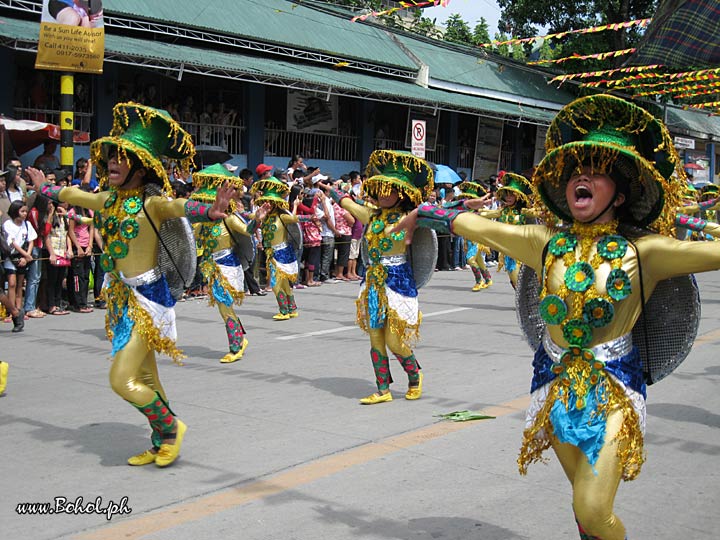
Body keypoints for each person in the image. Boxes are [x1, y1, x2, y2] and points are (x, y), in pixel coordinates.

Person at [398, 94, 720, 540]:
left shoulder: (645, 252)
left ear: (621, 194)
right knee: (581, 504)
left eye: (598, 170)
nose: (582, 176)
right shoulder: (543, 241)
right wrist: (420, 212)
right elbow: (472, 225)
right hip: (553, 387)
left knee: (592, 507)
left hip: (614, 391)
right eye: (575, 170)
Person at [28, 102, 232, 468]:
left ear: (141, 167)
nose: (112, 162)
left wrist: (211, 212)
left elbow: (179, 207)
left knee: (122, 379)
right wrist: (48, 191)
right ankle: (160, 442)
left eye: (122, 156)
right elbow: (78, 196)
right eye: (110, 156)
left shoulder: (152, 203)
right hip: (123, 298)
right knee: (145, 376)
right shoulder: (110, 201)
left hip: (150, 298)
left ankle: (170, 429)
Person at [323, 149, 433, 404]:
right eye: (380, 188)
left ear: (402, 193)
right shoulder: (371, 216)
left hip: (398, 282)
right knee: (375, 337)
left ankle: (415, 375)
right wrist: (331, 190)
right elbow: (347, 203)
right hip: (372, 281)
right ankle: (383, 389)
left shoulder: (411, 218)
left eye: (389, 189)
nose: (383, 194)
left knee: (394, 340)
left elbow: (441, 216)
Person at [189, 164, 269, 363]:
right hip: (211, 267)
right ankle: (240, 338)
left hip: (227, 266)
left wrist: (257, 220)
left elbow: (248, 230)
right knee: (223, 307)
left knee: (225, 306)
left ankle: (236, 345)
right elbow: (188, 236)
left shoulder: (230, 219)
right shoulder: (201, 223)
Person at [248, 176, 300, 320]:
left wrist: (295, 205)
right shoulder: (264, 217)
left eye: (271, 202)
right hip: (271, 253)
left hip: (282, 252)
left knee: (276, 284)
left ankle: (284, 311)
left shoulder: (281, 217)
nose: (268, 204)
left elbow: (294, 219)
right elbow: (250, 217)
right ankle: (291, 308)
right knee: (281, 282)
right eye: (265, 202)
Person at [477, 171, 534, 288]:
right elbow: (488, 213)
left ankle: (525, 299)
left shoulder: (523, 212)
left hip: (521, 248)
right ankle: (522, 300)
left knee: (516, 274)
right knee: (512, 276)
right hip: (507, 249)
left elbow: (537, 215)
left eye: (511, 195)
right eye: (506, 195)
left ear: (518, 196)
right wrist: (472, 211)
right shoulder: (502, 211)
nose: (508, 198)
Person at [455, 181, 493, 290]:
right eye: (466, 198)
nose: (468, 201)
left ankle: (479, 281)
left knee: (470, 260)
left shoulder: (480, 212)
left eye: (470, 198)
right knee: (479, 261)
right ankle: (488, 279)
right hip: (468, 240)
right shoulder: (463, 212)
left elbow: (492, 215)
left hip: (477, 240)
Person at [3, 200, 36, 319]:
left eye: (26, 211)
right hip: (11, 257)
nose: (24, 214)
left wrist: (27, 255)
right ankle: (11, 311)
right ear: (15, 211)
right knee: (12, 283)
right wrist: (26, 255)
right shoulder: (8, 224)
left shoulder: (27, 224)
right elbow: (12, 243)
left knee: (20, 284)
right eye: (22, 211)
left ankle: (19, 309)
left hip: (23, 257)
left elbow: (31, 240)